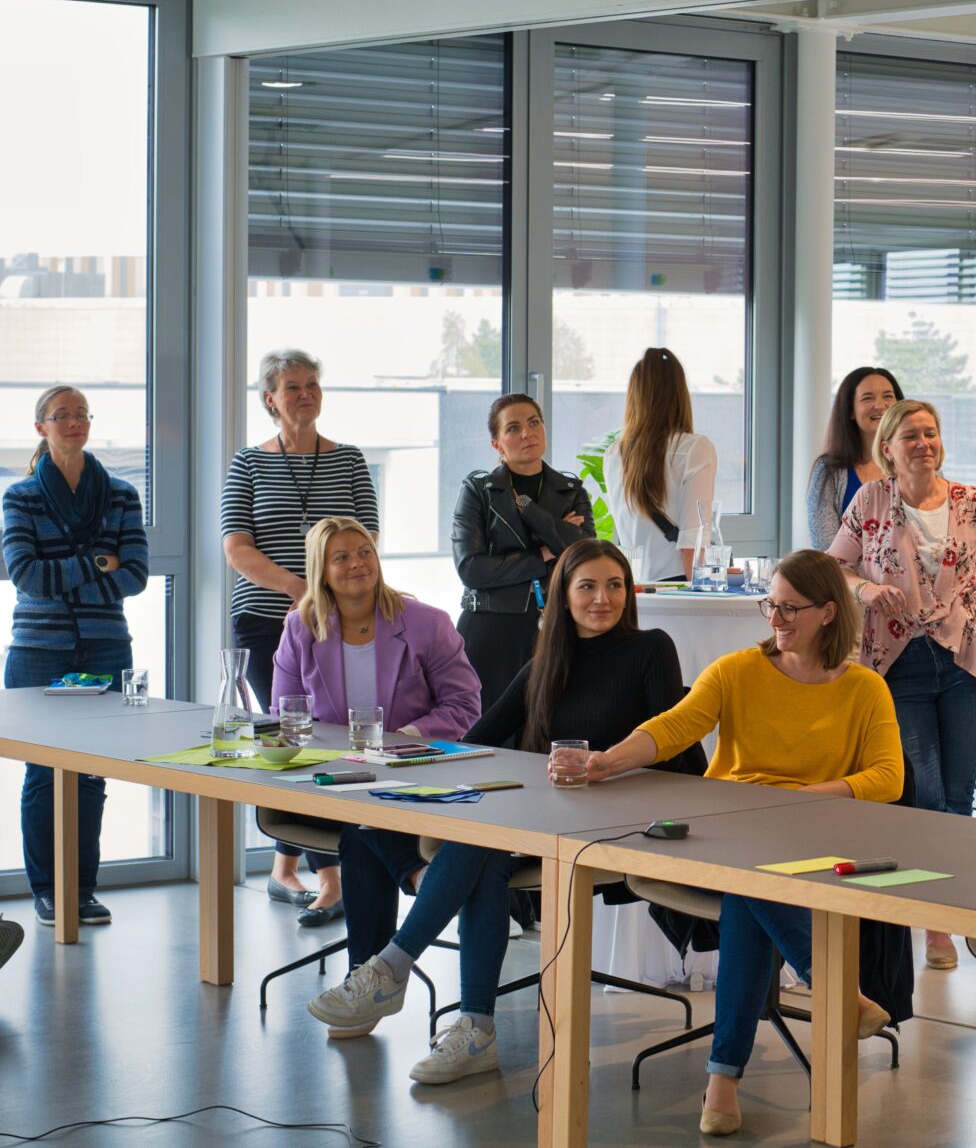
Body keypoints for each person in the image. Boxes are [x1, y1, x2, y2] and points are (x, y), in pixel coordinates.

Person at [305, 539, 683, 1080]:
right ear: (563, 596)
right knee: (476, 850)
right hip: (542, 818)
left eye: (615, 585)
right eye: (588, 586)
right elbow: (475, 740)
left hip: (619, 821)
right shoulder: (546, 664)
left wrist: (606, 765)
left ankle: (396, 969)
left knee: (477, 847)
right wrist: (396, 762)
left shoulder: (651, 649)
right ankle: (473, 1028)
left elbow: (670, 744)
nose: (604, 599)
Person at [582, 549, 903, 1137]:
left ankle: (724, 1077)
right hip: (726, 832)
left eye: (789, 609)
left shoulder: (864, 689)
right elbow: (675, 726)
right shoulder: (736, 671)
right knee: (748, 878)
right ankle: (831, 988)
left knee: (746, 899)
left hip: (809, 839)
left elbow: (888, 777)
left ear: (830, 612)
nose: (774, 619)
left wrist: (809, 797)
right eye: (770, 605)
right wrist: (608, 761)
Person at [828, 399, 976, 970]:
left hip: (969, 660)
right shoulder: (870, 500)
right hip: (899, 663)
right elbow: (835, 568)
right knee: (924, 791)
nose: (924, 443)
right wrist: (866, 591)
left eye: (932, 433)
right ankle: (937, 916)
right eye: (911, 436)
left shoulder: (970, 501)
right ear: (888, 448)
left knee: (960, 793)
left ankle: (944, 917)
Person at [271, 517, 481, 945]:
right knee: (362, 817)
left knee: (361, 829)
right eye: (341, 557)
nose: (357, 563)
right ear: (320, 569)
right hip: (327, 778)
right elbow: (284, 713)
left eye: (364, 552)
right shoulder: (300, 628)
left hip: (411, 772)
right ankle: (416, 876)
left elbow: (464, 704)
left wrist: (401, 739)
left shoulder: (426, 623)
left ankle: (366, 979)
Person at [221, 349, 377, 920]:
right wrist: (300, 588)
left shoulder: (351, 461)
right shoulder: (248, 464)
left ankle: (287, 867)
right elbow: (236, 549)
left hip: (342, 620)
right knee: (294, 738)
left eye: (313, 384)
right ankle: (329, 878)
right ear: (270, 399)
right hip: (267, 620)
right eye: (292, 387)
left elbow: (368, 539)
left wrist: (330, 594)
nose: (305, 394)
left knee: (329, 735)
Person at [3, 385, 148, 927]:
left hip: (105, 647)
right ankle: (47, 890)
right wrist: (96, 563)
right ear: (41, 427)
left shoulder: (121, 495)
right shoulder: (20, 496)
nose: (74, 423)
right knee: (43, 774)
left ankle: (82, 889)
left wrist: (86, 567)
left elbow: (134, 575)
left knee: (90, 774)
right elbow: (26, 576)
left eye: (81, 414)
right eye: (61, 415)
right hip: (38, 652)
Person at [451, 392, 594, 712]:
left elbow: (584, 561)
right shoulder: (477, 491)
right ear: (497, 444)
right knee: (488, 736)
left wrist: (530, 511)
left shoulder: (571, 491)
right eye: (513, 428)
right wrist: (544, 551)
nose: (527, 433)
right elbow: (472, 569)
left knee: (546, 733)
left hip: (553, 627)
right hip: (489, 628)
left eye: (534, 423)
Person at [601, 348, 717, 583]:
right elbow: (691, 542)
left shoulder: (614, 453)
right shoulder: (694, 449)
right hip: (678, 584)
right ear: (680, 393)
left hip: (632, 586)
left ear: (634, 395)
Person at [805, 366, 903, 549]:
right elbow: (826, 548)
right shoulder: (828, 470)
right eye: (867, 398)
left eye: (888, 396)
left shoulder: (919, 463)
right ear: (850, 411)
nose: (880, 405)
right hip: (846, 577)